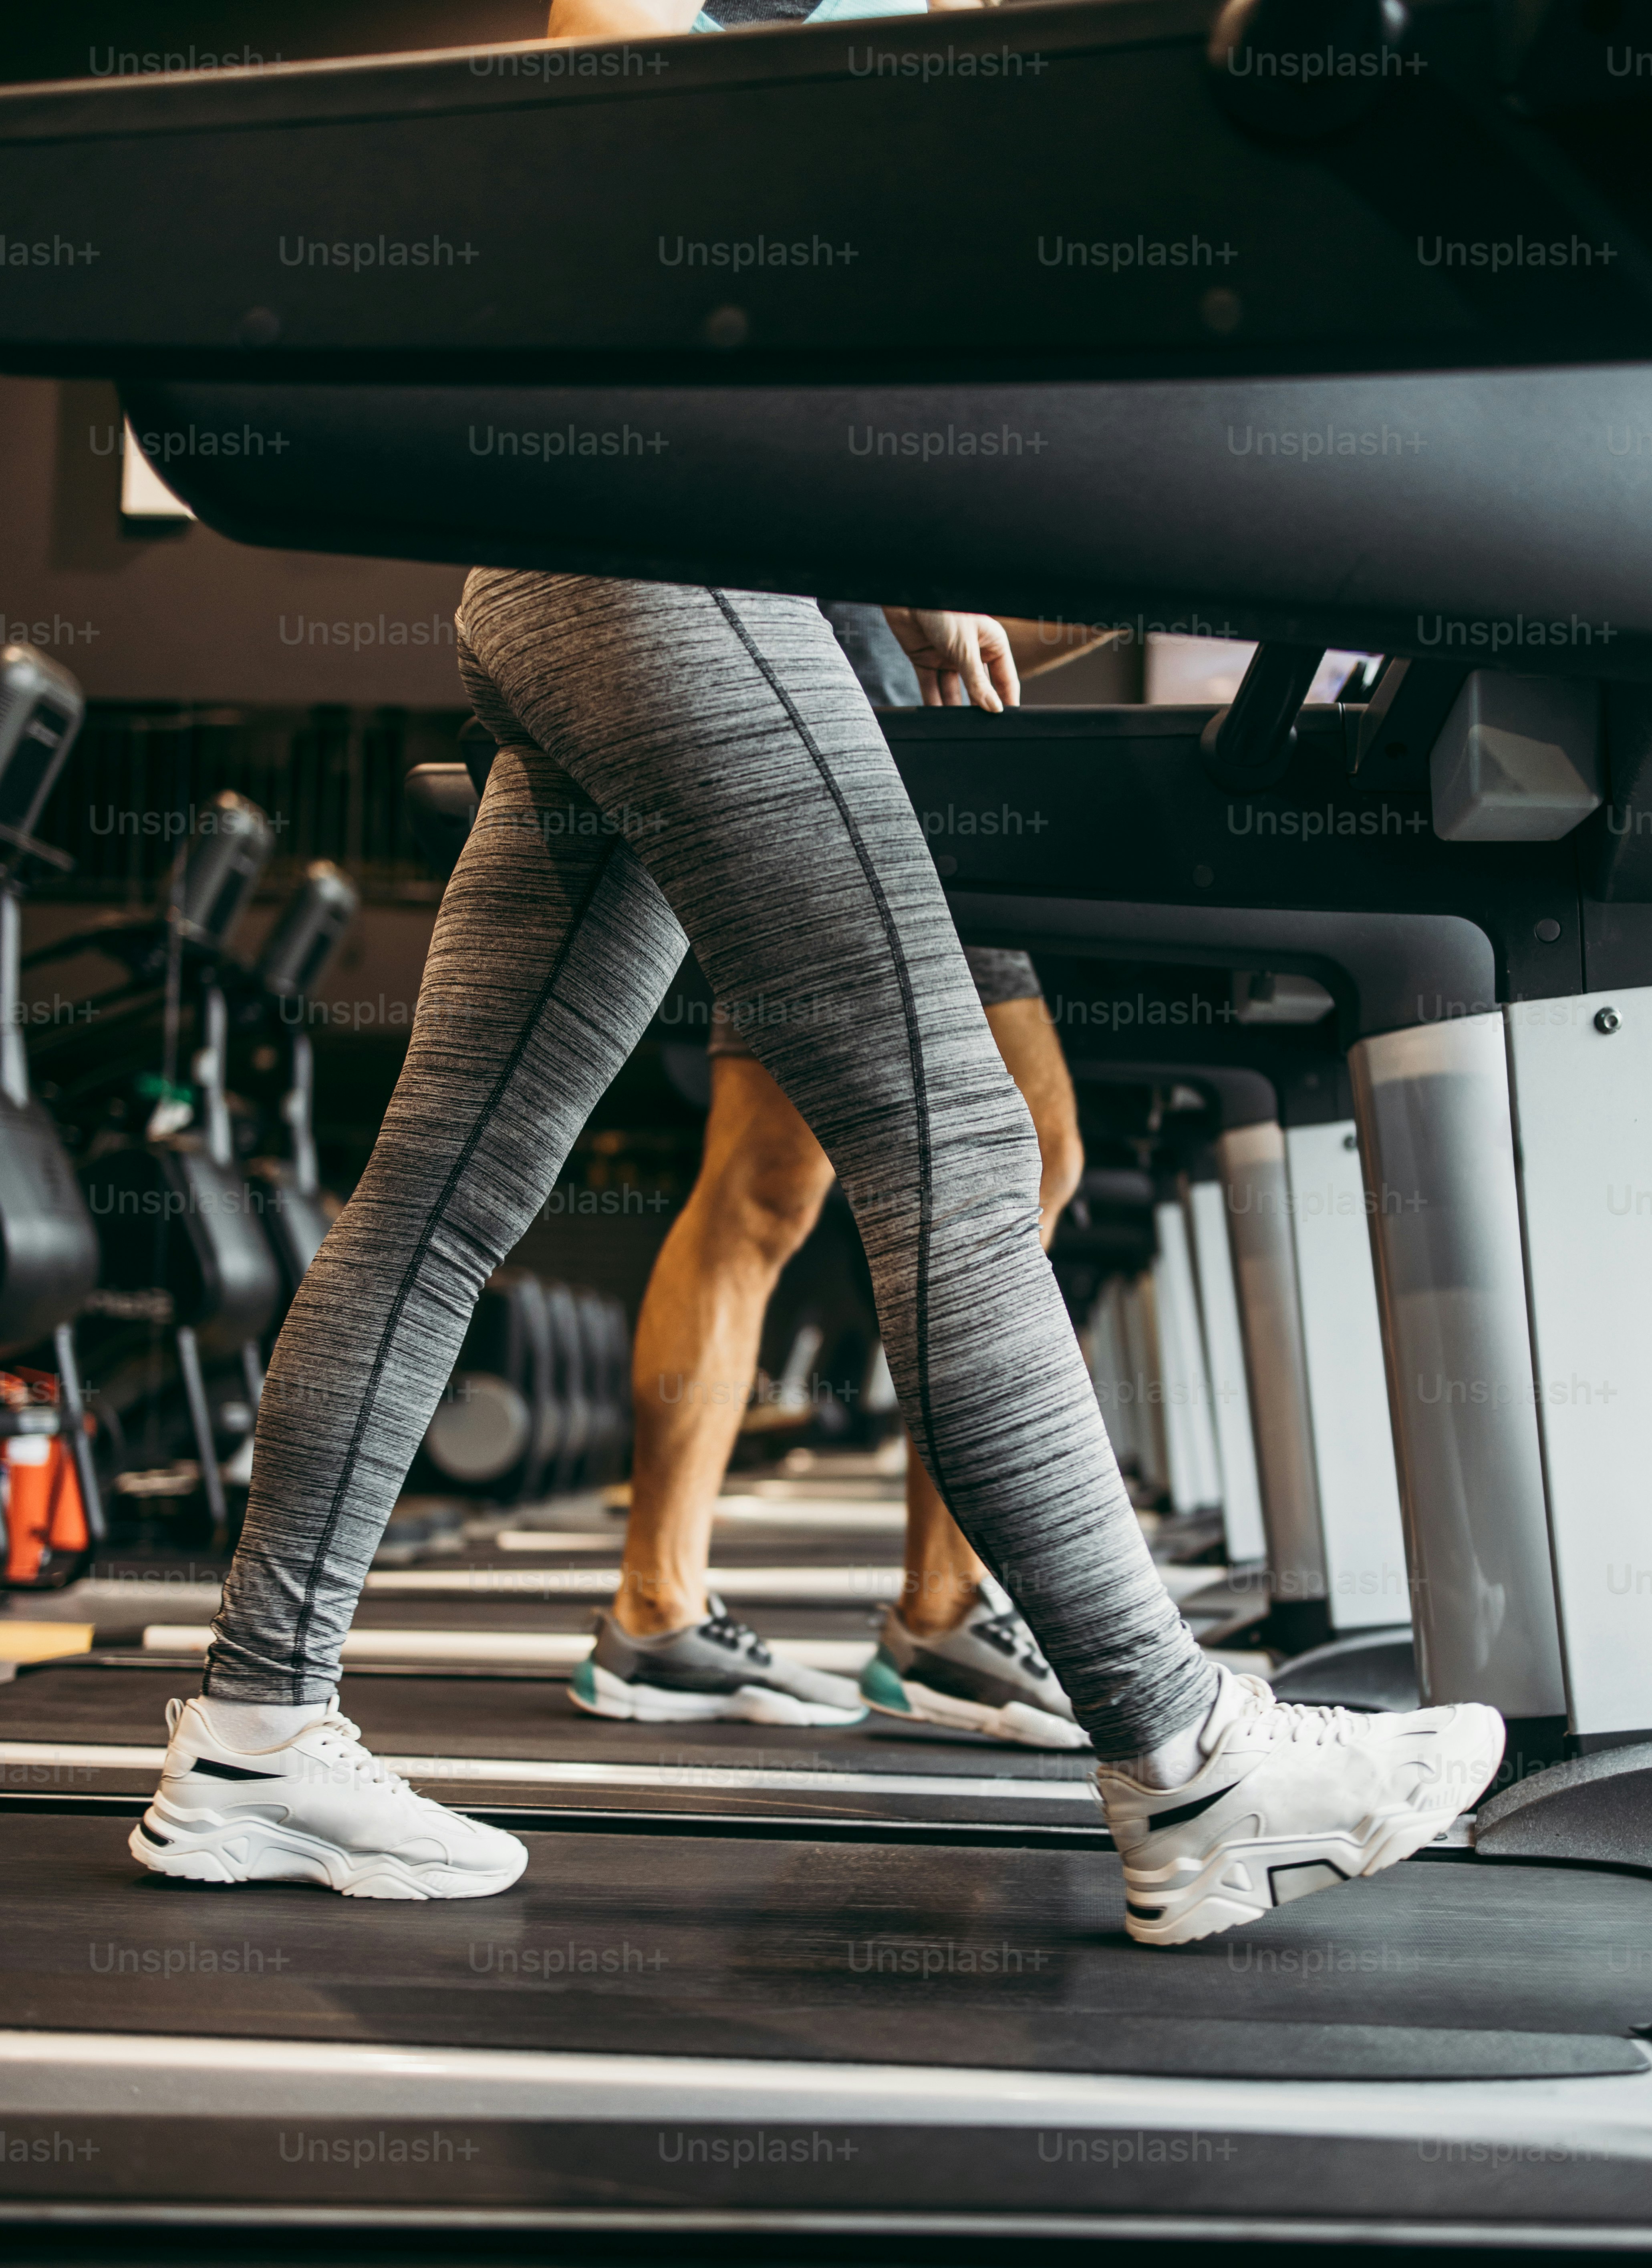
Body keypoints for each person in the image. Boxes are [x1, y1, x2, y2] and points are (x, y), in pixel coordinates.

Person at [123, 0, 1504, 1948]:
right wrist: (882, 520)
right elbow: (636, 173)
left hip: (583, 557)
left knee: (440, 1195)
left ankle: (256, 1727)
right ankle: (1189, 1764)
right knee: (955, 1136)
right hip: (669, 548)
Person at [574, 600, 1094, 1749]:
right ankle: (935, 1611)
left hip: (854, 707)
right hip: (849, 725)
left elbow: (975, 620)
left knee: (764, 1185)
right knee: (1016, 1150)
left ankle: (664, 1606)